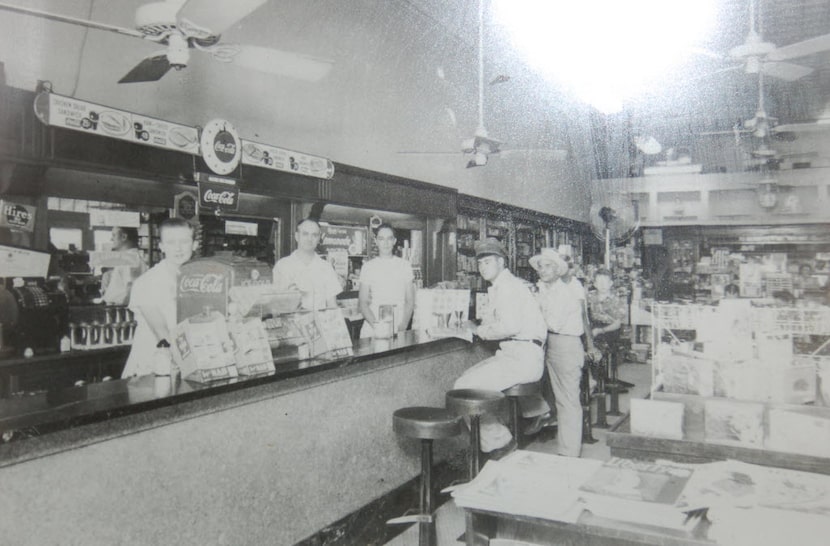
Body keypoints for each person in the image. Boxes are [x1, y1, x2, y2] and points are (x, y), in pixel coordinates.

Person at [453, 238, 548, 456]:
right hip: (516, 354)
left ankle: (501, 443)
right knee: (466, 380)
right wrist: (478, 326)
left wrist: (478, 331)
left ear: (502, 262)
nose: (482, 267)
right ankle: (501, 438)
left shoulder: (509, 288)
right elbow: (494, 321)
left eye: (487, 262)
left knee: (463, 390)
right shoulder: (500, 287)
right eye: (479, 263)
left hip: (523, 357)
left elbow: (510, 326)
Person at [531, 248, 601, 457]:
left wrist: (535, 306)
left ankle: (569, 453)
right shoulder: (547, 290)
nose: (542, 270)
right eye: (540, 266)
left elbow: (553, 322)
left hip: (565, 345)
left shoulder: (564, 292)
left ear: (558, 269)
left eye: (548, 266)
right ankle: (566, 448)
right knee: (560, 398)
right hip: (552, 344)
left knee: (568, 400)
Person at [122, 218, 197, 378]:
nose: (178, 248)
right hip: (151, 368)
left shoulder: (197, 279)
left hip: (185, 366)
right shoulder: (147, 283)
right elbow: (162, 334)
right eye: (170, 242)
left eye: (184, 241)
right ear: (161, 246)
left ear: (194, 244)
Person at [272, 218, 342, 311]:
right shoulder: (282, 266)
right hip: (291, 323)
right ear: (297, 236)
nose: (310, 239)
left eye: (314, 235)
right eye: (305, 234)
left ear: (319, 238)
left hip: (320, 324)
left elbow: (332, 305)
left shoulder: (326, 267)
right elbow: (276, 305)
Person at [358, 224, 414, 337]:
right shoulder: (368, 267)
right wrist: (377, 327)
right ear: (376, 241)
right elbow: (363, 303)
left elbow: (410, 301)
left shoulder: (405, 266)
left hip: (398, 327)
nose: (386, 243)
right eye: (381, 239)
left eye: (389, 238)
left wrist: (402, 326)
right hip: (372, 327)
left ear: (394, 241)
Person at [101, 226, 147, 306]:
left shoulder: (131, 259)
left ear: (124, 237)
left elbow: (133, 289)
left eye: (114, 235)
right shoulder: (128, 258)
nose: (111, 239)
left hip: (121, 311)